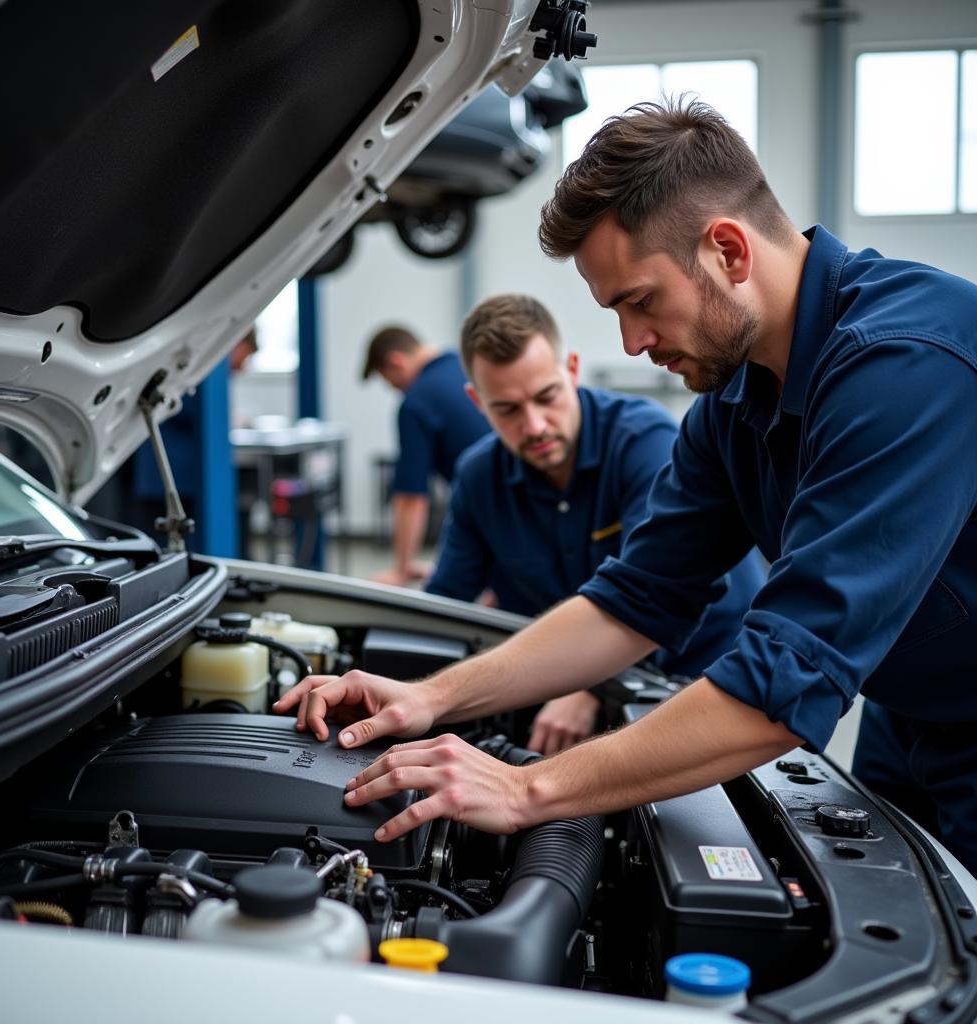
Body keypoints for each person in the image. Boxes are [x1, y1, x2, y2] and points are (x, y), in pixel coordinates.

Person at [276, 99, 977, 874]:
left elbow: (789, 680)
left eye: (640, 302)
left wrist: (525, 790)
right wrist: (430, 698)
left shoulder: (907, 364)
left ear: (728, 252)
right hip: (904, 712)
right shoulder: (733, 402)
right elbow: (634, 597)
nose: (633, 343)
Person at [425, 292, 764, 753]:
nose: (536, 425)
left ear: (571, 369)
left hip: (705, 670)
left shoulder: (645, 443)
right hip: (567, 675)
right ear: (476, 402)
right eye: (507, 409)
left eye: (547, 396)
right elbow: (445, 606)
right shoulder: (478, 477)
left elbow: (656, 593)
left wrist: (592, 686)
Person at [362, 326, 490, 586]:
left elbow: (411, 497)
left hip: (491, 510)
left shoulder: (416, 402)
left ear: (395, 361)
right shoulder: (465, 364)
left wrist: (400, 570)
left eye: (390, 381)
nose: (396, 389)